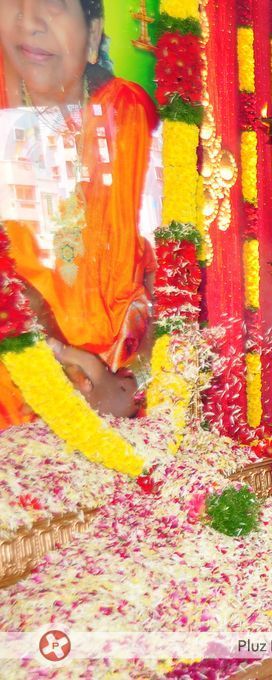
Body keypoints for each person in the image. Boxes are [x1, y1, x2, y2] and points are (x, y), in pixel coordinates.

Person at [0, 0, 157, 428]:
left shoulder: (126, 111)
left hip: (121, 371)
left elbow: (159, 257)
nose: (30, 23)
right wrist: (61, 358)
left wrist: (126, 377)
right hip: (17, 380)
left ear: (93, 30)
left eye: (52, 7)